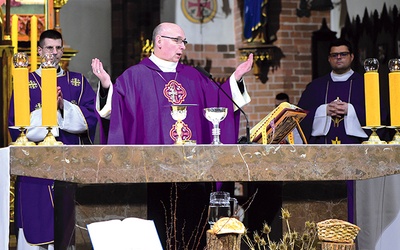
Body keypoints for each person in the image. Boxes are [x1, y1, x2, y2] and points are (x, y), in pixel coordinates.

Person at [91, 22, 253, 248]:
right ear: (159, 41)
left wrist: (235, 79)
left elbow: (220, 102)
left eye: (183, 41)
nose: (182, 46)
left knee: (195, 236)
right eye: (177, 40)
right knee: (161, 233)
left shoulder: (195, 76)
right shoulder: (134, 77)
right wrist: (107, 86)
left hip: (195, 173)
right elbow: (115, 113)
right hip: (155, 176)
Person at [8, 29, 97, 249]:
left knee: (68, 231)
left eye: (58, 48)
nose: (54, 53)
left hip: (71, 167)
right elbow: (17, 126)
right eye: (49, 48)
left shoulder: (78, 81)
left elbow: (91, 119)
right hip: (37, 171)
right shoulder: (25, 81)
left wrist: (62, 106)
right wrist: (48, 106)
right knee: (36, 226)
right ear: (39, 50)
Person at [297, 38, 373, 225]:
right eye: (334, 55)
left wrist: (351, 111)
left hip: (356, 161)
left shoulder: (367, 84)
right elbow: (299, 118)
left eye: (343, 54)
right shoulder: (316, 87)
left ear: (352, 57)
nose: (339, 58)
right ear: (329, 59)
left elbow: (380, 116)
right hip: (321, 161)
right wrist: (323, 111)